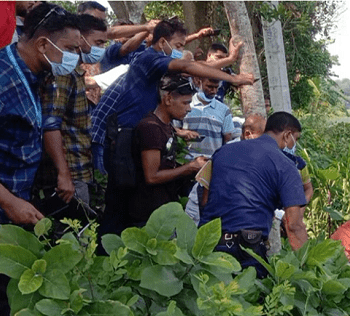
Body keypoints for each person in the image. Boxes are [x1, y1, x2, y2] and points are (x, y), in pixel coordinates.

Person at [91, 17, 253, 239]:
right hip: (123, 136)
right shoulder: (151, 59)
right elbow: (188, 65)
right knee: (119, 200)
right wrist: (233, 79)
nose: (180, 51)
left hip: (129, 135)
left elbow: (196, 68)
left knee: (129, 199)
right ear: (162, 42)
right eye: (178, 46)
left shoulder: (156, 66)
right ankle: (106, 252)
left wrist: (231, 61)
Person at [0, 3, 80, 313]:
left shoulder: (31, 72)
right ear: (42, 44)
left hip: (9, 210)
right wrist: (9, 202)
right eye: (69, 49)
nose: (74, 58)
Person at [199, 112, 308, 278]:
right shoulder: (286, 166)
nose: (294, 144)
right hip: (246, 250)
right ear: (287, 135)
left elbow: (205, 201)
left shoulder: (222, 152)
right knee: (247, 299)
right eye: (296, 139)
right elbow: (293, 225)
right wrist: (309, 268)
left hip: (208, 244)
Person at [33, 14, 108, 214]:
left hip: (78, 168)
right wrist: (63, 173)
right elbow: (50, 123)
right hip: (70, 173)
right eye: (98, 42)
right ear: (80, 38)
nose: (100, 49)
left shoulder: (74, 72)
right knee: (74, 235)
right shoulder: (63, 74)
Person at [129, 74, 208, 226]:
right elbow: (151, 176)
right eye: (185, 103)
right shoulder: (151, 128)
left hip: (164, 210)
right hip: (148, 215)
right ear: (168, 99)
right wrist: (188, 168)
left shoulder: (166, 126)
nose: (189, 109)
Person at [182, 76, 235, 159]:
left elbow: (228, 140)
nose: (214, 91)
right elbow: (173, 129)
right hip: (185, 162)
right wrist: (184, 133)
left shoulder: (224, 110)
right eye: (209, 86)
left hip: (211, 163)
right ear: (198, 82)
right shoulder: (185, 104)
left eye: (216, 87)